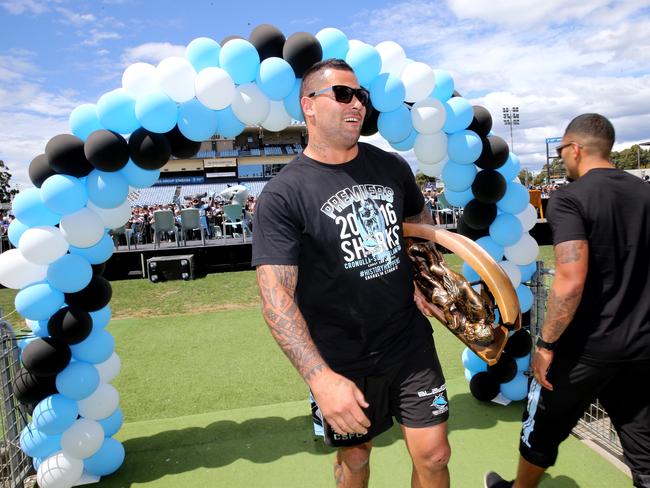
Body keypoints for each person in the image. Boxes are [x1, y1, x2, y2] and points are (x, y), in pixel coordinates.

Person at [252, 58, 451, 488]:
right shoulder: (283, 195)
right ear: (308, 106)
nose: (357, 103)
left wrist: (424, 275)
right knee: (356, 459)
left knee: (435, 455)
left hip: (408, 342)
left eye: (360, 95)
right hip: (340, 357)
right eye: (342, 94)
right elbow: (276, 297)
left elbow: (420, 220)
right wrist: (319, 378)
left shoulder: (392, 166)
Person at [485, 114, 650, 488]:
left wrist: (545, 345)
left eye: (561, 151)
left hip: (583, 350)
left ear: (575, 148)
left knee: (540, 429)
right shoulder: (645, 193)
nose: (562, 158)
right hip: (641, 347)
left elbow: (570, 280)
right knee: (644, 450)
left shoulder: (569, 198)